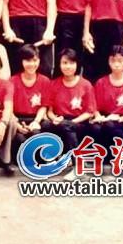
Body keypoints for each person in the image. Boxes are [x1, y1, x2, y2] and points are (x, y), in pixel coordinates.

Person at [44, 48, 100, 179]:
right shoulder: (54, 84)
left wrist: (71, 122)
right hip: (60, 120)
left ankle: (78, 168)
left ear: (77, 64)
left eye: (71, 63)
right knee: (45, 125)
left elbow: (89, 112)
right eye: (64, 63)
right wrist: (55, 119)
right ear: (59, 64)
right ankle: (57, 158)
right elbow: (49, 111)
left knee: (68, 127)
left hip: (79, 122)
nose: (68, 66)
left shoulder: (86, 85)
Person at [10, 45, 50, 148]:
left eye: (35, 60)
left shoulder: (45, 81)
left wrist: (36, 121)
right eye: (28, 60)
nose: (32, 64)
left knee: (36, 136)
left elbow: (44, 106)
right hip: (17, 119)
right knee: (20, 140)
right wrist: (17, 125)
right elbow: (8, 108)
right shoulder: (12, 81)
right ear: (21, 61)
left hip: (36, 118)